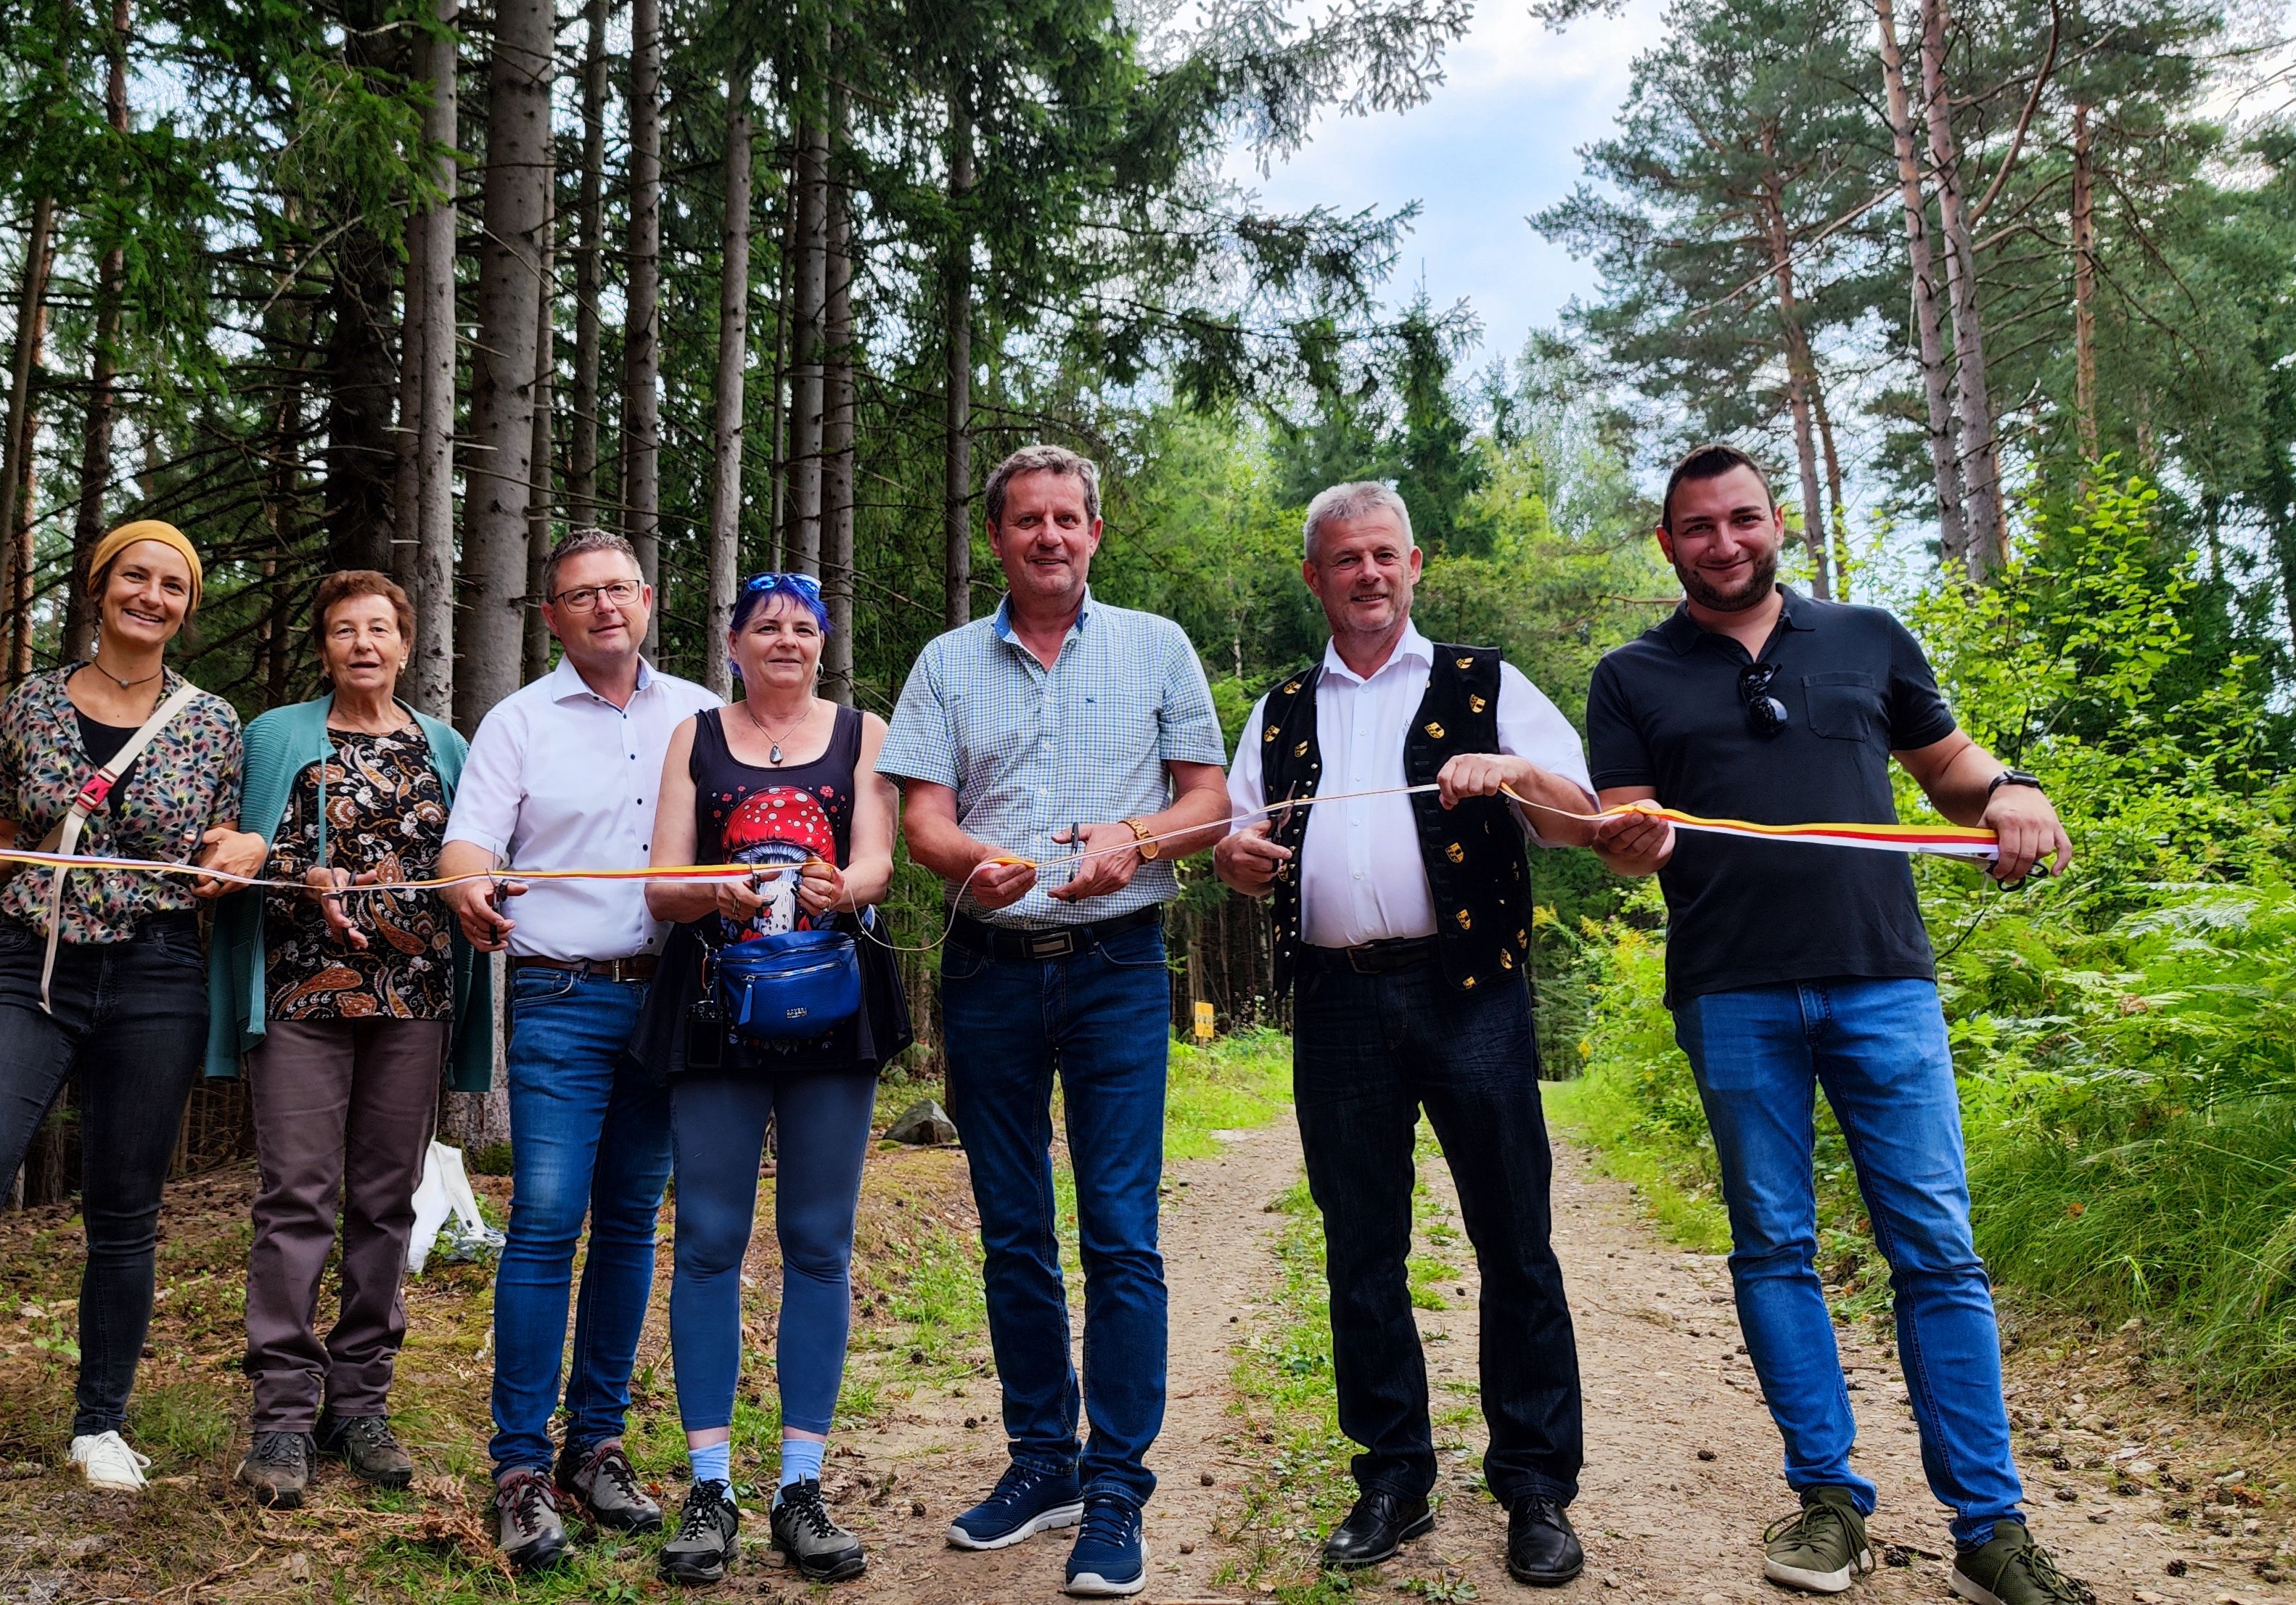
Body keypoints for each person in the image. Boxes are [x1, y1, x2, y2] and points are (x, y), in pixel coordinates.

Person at [1585, 445, 2083, 1605]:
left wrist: (2015, 788)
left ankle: (1990, 1526)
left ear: (1779, 524)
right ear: (1668, 546)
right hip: (1731, 991)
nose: (1724, 543)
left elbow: (1955, 772)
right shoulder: (1630, 675)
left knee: (1939, 1254)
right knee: (1774, 1248)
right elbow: (1623, 822)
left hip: (1882, 984)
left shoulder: (1870, 638)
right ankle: (1829, 1503)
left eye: (1742, 520)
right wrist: (1632, 838)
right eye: (1697, 528)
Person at [1211, 483, 1599, 1588]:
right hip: (1333, 1003)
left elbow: (1583, 824)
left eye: (1385, 555)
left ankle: (1534, 1487)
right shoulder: (1283, 707)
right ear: (1315, 578)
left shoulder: (1486, 683)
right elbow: (1242, 844)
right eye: (1346, 560)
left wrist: (1519, 772)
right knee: (1361, 1247)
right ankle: (1392, 1478)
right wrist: (1238, 866)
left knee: (1514, 1237)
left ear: (1415, 564)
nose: (1368, 574)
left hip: (1469, 990)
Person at [0, 520, 262, 1522]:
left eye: (173, 584)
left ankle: (100, 1423)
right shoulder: (32, 702)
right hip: (31, 968)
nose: (152, 596)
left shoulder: (213, 723)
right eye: (136, 577)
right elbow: (1, 839)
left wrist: (243, 849)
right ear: (100, 586)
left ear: (187, 605)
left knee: (123, 1209)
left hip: (160, 974)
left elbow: (223, 847)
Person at [876, 442, 1231, 1598]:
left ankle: (1118, 1485)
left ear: (1094, 531)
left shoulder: (1158, 646)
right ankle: (1045, 1462)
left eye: (1067, 518)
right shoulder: (944, 663)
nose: (1048, 537)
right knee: (1013, 1225)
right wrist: (979, 864)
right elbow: (925, 822)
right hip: (989, 968)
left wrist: (1137, 838)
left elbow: (1207, 802)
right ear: (997, 539)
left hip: (1121, 964)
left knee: (1120, 1228)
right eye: (1025, 520)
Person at [437, 528, 722, 1569]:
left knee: (633, 1222)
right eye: (579, 596)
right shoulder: (517, 722)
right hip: (560, 995)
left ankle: (595, 1446)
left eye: (619, 590)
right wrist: (469, 883)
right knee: (549, 1217)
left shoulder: (702, 713)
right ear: (551, 617)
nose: (604, 607)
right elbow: (471, 842)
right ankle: (518, 1466)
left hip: (673, 999)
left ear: (648, 600)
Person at [634, 573, 905, 1587]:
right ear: (734, 643)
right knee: (705, 1243)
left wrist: (847, 884)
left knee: (817, 1244)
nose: (786, 641)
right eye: (766, 628)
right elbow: (663, 886)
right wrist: (715, 886)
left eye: (804, 627)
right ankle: (711, 1488)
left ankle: (802, 1485)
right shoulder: (695, 738)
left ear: (823, 643)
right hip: (714, 1008)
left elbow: (881, 861)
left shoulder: (862, 733)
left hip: (833, 1008)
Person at [204, 570, 495, 1508]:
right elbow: (234, 855)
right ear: (324, 646)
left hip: (412, 1002)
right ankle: (283, 1415)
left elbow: (469, 857)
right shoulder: (276, 737)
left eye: (380, 628)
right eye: (344, 629)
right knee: (296, 1197)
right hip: (297, 1002)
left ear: (407, 643)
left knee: (385, 1203)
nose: (363, 643)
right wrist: (302, 877)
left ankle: (361, 1403)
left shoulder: (445, 746)